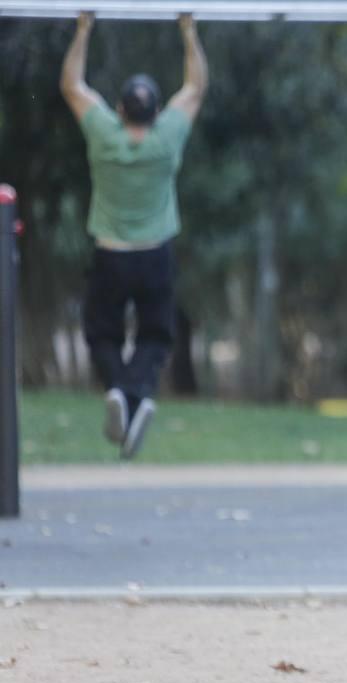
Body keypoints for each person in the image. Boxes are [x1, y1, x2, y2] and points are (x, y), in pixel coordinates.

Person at [61, 12, 207, 458]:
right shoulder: (166, 138)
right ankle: (135, 394)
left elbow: (72, 85)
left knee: (102, 333)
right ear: (156, 111)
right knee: (157, 336)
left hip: (110, 255)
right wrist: (189, 31)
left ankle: (120, 392)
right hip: (155, 255)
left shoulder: (105, 134)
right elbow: (196, 86)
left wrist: (83, 29)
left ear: (121, 109)